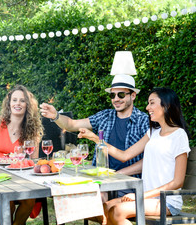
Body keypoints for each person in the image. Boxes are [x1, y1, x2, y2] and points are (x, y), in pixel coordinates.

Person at [79, 87, 190, 224]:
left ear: (166, 105)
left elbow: (177, 182)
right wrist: (96, 139)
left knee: (118, 211)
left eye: (152, 103)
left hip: (166, 201)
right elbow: (125, 155)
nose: (147, 107)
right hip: (146, 197)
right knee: (103, 208)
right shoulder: (153, 133)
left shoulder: (179, 135)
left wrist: (140, 196)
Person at [40, 74, 149, 180]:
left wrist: (118, 175)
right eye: (112, 95)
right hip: (100, 178)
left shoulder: (143, 121)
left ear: (133, 95)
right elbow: (71, 125)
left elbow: (148, 160)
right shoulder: (105, 116)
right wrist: (56, 116)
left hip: (128, 181)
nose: (116, 99)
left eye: (121, 95)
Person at [0, 84, 44, 225]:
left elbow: (34, 161)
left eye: (22, 100)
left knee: (29, 199)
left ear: (27, 105)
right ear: (9, 103)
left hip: (17, 179)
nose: (18, 103)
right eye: (14, 100)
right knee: (8, 202)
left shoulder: (33, 132)